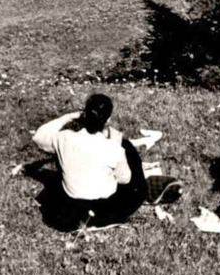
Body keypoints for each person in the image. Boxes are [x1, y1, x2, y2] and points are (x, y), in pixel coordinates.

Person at [32, 93, 147, 231]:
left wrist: (67, 117)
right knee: (136, 180)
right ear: (108, 120)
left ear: (84, 114)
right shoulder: (114, 147)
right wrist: (118, 146)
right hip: (104, 213)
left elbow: (38, 137)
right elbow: (124, 179)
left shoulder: (63, 138)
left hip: (69, 214)